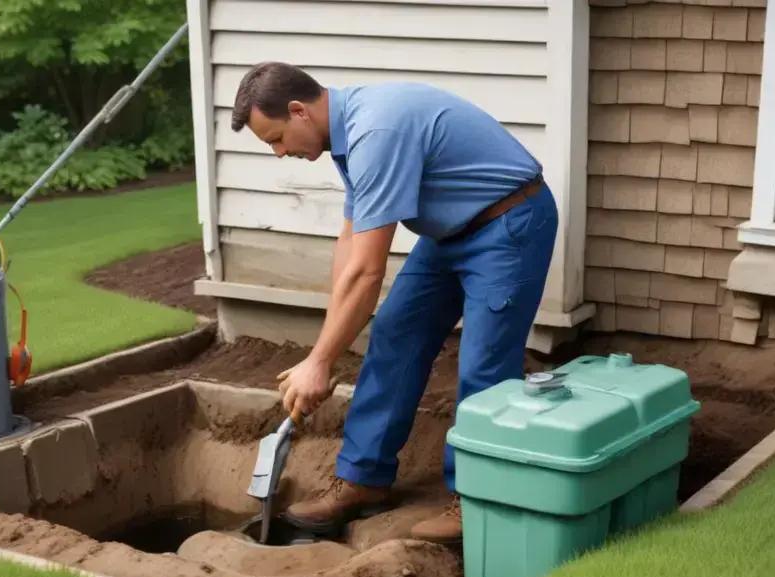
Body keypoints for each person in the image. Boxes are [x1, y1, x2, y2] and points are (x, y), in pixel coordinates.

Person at [230, 62, 558, 544]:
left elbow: (368, 271)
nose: (279, 153)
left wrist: (320, 362)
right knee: (394, 332)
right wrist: (324, 344)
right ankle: (363, 479)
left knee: (484, 367)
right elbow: (350, 246)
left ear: (299, 111)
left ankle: (476, 499)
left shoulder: (375, 130)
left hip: (508, 223)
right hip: (449, 233)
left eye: (276, 138)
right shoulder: (345, 137)